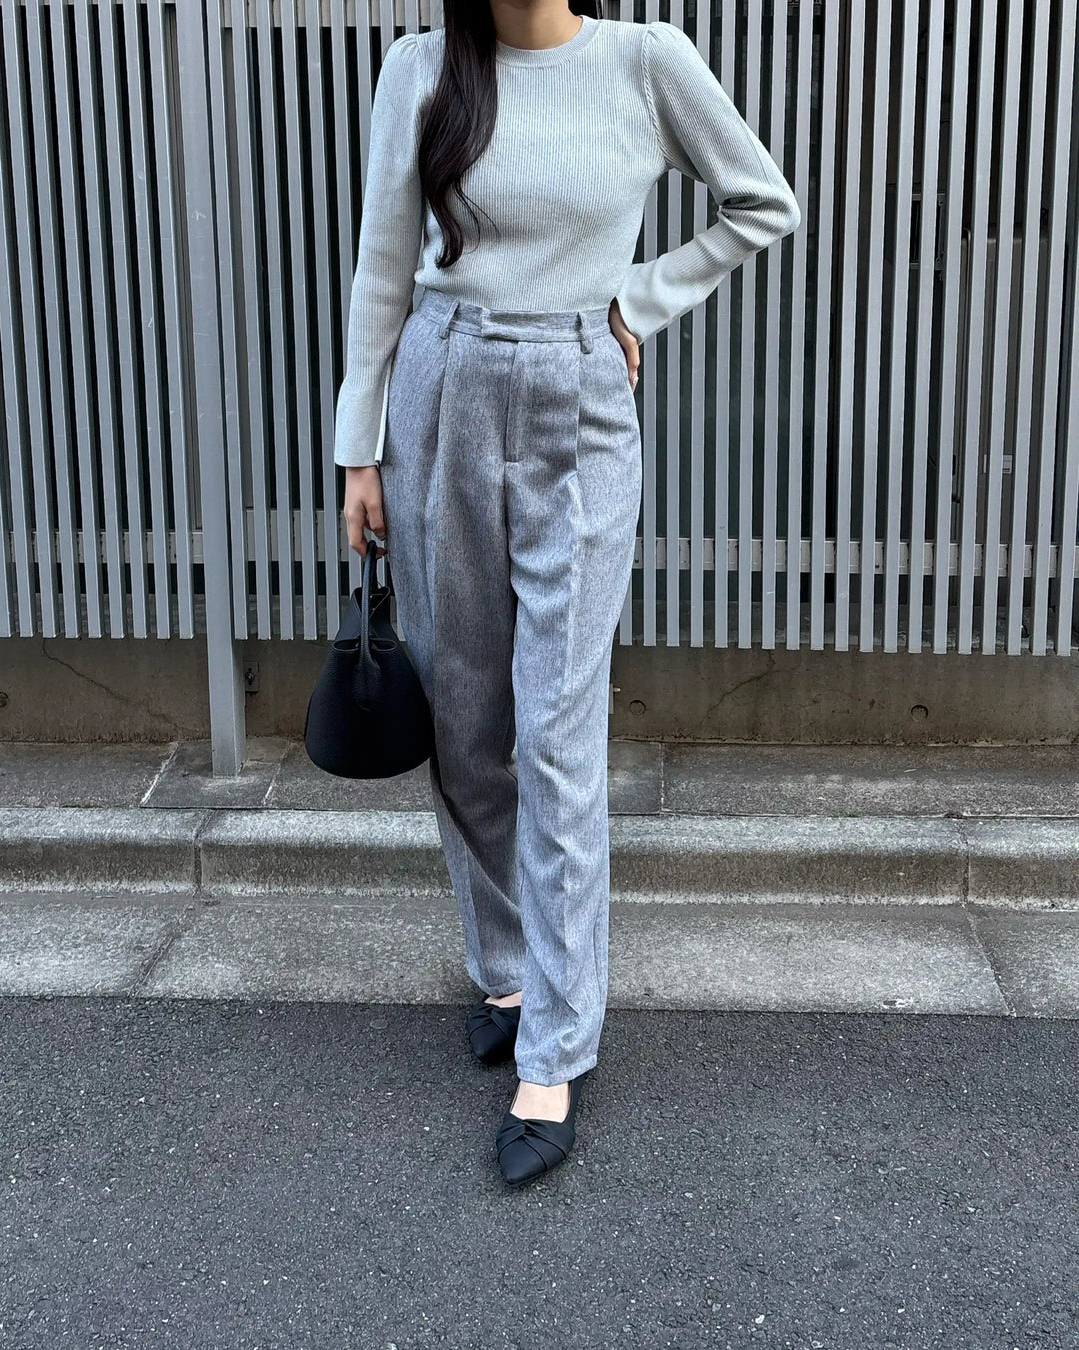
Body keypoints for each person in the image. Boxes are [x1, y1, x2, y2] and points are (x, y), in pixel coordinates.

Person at [333, 1, 801, 1188]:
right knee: (463, 717)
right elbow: (384, 263)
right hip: (439, 386)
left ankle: (555, 1046)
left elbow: (763, 201)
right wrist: (358, 448)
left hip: (579, 403)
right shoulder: (421, 68)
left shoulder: (645, 63)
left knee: (553, 731)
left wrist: (640, 299)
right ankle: (505, 969)